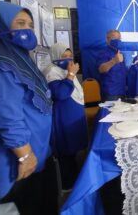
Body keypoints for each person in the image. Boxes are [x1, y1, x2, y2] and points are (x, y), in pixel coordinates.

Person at [0, 1, 57, 215]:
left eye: (30, 25)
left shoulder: (18, 55)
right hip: (18, 159)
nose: (27, 30)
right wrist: (24, 155)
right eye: (20, 23)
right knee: (28, 207)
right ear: (3, 25)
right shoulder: (0, 60)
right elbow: (5, 112)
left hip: (35, 150)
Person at [43, 43, 88, 190]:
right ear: (55, 56)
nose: (68, 59)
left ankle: (74, 179)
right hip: (63, 119)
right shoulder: (52, 72)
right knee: (65, 153)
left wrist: (70, 74)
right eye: (64, 56)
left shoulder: (65, 70)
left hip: (73, 118)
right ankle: (67, 187)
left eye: (70, 56)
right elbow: (61, 94)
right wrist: (71, 74)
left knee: (73, 152)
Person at [97, 29, 127, 101]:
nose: (117, 40)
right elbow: (101, 69)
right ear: (107, 39)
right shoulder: (103, 53)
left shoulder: (121, 53)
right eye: (114, 38)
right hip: (110, 93)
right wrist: (114, 61)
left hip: (122, 91)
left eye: (119, 38)